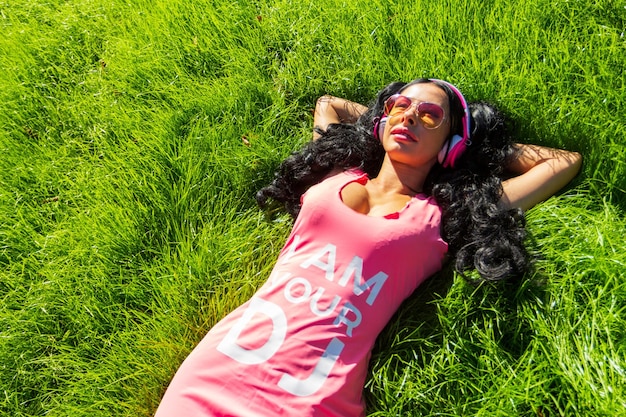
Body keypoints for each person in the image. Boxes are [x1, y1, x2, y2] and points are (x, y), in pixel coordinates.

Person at [154, 79, 582, 416]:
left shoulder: (440, 215)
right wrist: (385, 121)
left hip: (309, 397)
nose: (409, 117)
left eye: (430, 115)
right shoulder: (338, 173)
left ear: (451, 143)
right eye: (399, 107)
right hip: (220, 367)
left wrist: (471, 150)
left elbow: (562, 161)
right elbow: (331, 105)